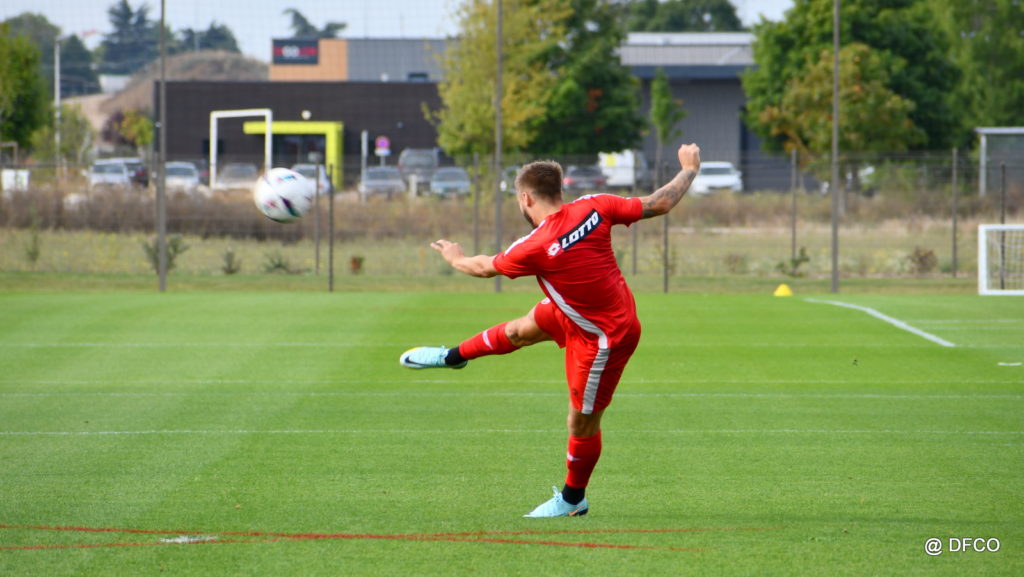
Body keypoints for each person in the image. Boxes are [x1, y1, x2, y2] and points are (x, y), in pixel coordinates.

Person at [400, 143, 701, 517]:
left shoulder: (536, 244)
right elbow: (660, 203)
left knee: (582, 421)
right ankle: (452, 357)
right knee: (520, 330)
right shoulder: (595, 205)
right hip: (575, 312)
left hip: (605, 337)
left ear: (525, 198)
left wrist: (455, 257)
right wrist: (689, 168)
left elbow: (483, 268)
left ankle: (574, 500)